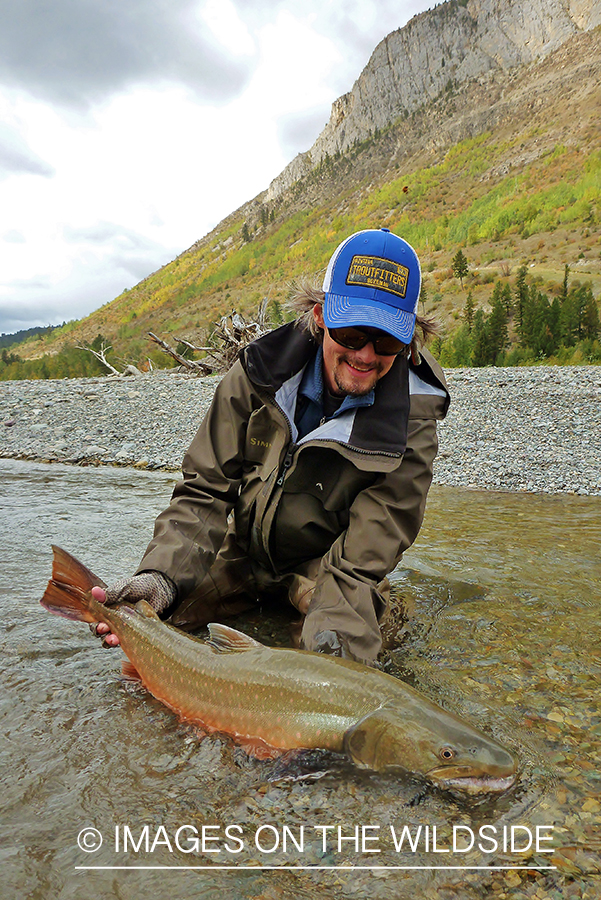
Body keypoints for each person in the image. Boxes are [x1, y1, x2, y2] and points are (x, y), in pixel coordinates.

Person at [93, 228, 449, 665]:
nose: (365, 355)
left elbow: (359, 564)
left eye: (387, 341)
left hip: (326, 572)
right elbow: (205, 491)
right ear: (321, 316)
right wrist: (161, 576)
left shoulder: (412, 419)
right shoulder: (258, 375)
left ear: (409, 339)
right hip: (242, 552)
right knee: (151, 621)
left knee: (349, 664)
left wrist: (334, 668)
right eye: (352, 333)